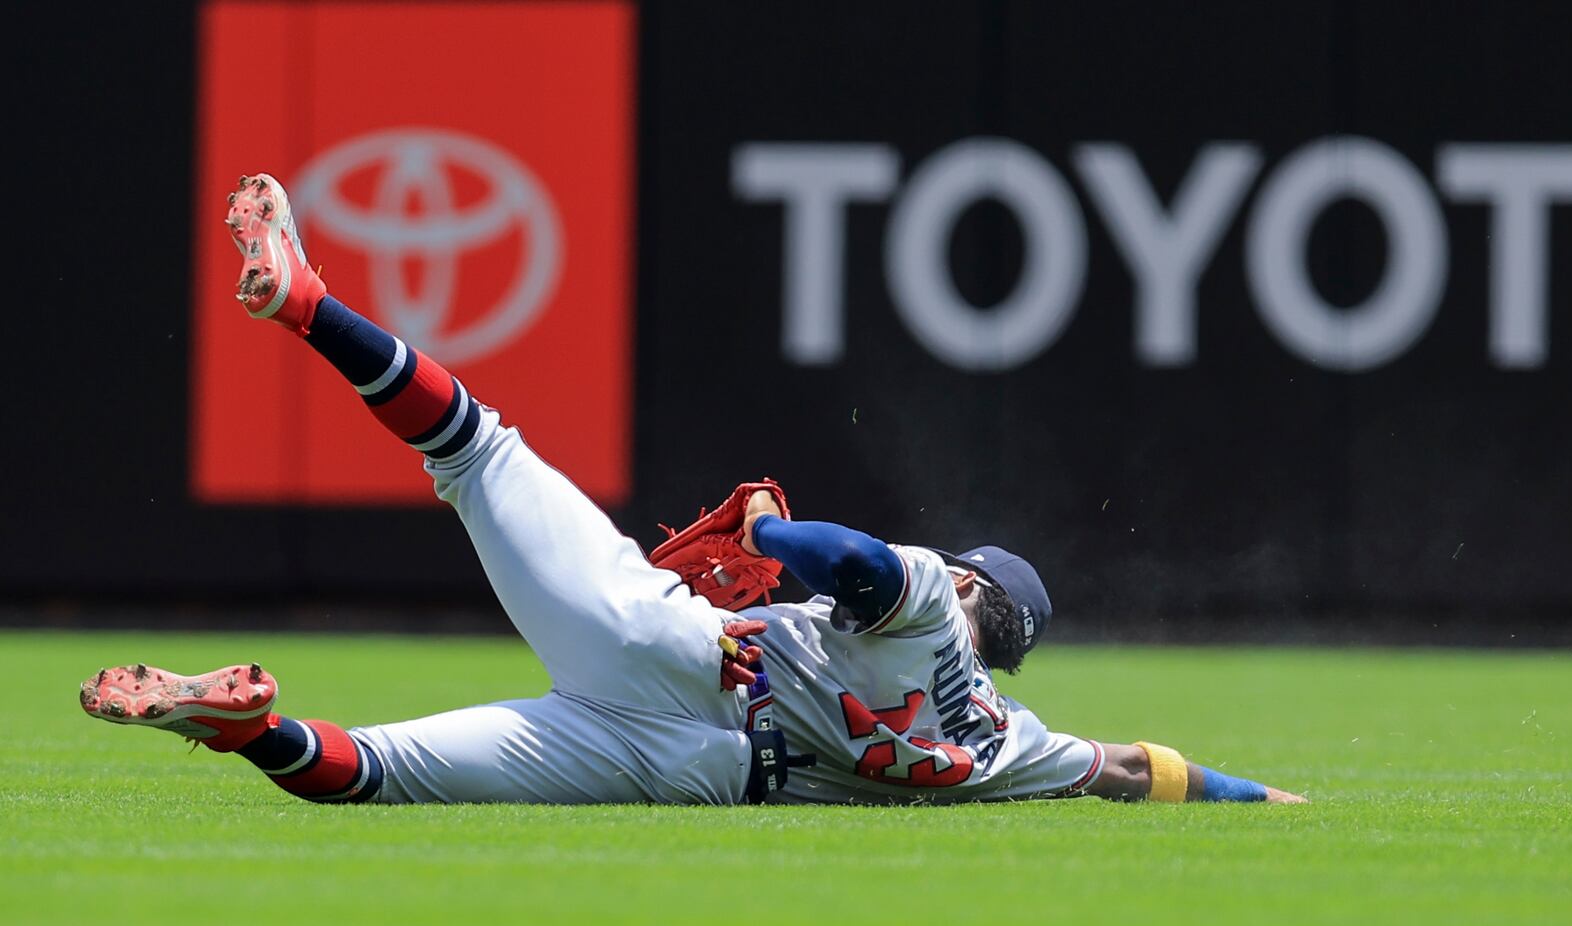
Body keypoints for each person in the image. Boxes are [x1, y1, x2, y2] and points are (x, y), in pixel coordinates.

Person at [80, 173, 1307, 808]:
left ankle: (304, 305)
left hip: (683, 652)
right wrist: (1261, 796)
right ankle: (246, 731)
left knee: (479, 451)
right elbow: (1129, 768)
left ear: (982, 587)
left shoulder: (935, 601)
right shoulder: (1004, 745)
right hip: (690, 771)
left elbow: (860, 565)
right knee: (386, 773)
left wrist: (772, 528)